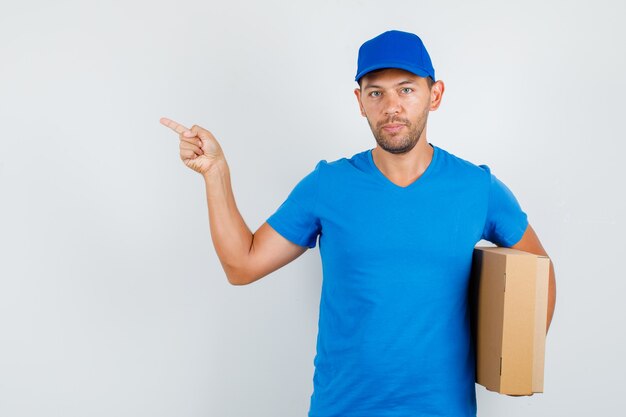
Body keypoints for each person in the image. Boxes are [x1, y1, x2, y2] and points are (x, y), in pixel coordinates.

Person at [160, 29, 556, 417]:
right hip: (344, 408)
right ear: (360, 101)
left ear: (434, 96)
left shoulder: (477, 188)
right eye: (375, 93)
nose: (391, 106)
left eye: (406, 89)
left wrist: (519, 356)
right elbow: (241, 266)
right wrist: (216, 173)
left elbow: (538, 270)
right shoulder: (326, 185)